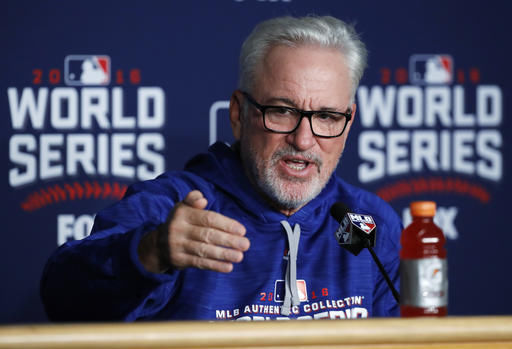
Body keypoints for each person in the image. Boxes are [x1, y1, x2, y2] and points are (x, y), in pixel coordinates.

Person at [41, 15, 402, 321]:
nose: (303, 140)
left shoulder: (368, 223)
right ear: (238, 114)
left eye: (325, 116)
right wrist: (151, 252)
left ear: (348, 121)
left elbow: (413, 338)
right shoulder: (173, 207)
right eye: (281, 111)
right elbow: (61, 296)